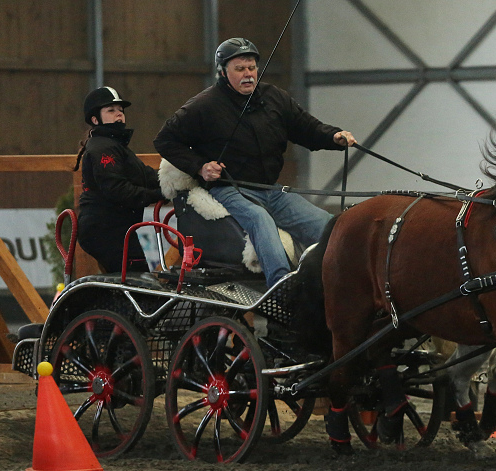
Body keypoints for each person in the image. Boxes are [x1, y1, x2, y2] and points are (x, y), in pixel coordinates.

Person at [154, 37, 356, 287]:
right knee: (260, 219)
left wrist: (333, 136)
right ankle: (281, 287)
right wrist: (201, 167)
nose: (248, 74)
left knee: (325, 224)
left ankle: (343, 283)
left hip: (272, 190)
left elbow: (306, 128)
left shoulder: (275, 98)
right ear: (223, 72)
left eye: (251, 67)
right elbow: (165, 140)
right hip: (229, 189)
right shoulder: (203, 105)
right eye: (239, 69)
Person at [75, 87, 164, 273]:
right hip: (106, 229)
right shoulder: (103, 148)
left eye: (121, 110)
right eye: (111, 110)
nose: (119, 115)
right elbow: (117, 190)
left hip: (113, 228)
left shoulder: (114, 146)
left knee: (129, 282)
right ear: (94, 119)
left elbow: (146, 176)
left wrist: (175, 181)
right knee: (137, 284)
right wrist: (161, 194)